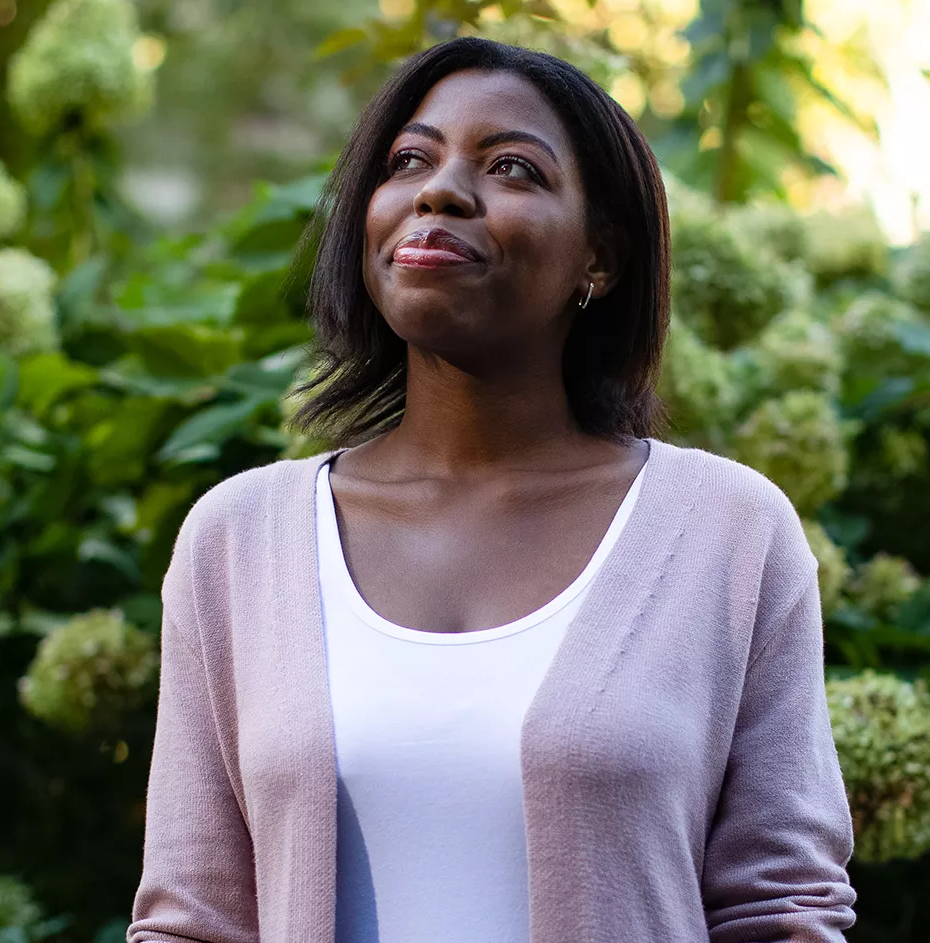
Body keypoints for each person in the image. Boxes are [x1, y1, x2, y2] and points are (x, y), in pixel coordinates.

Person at [127, 36, 857, 943]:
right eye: (409, 160)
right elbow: (191, 919)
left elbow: (783, 909)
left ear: (601, 258)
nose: (439, 191)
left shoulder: (729, 533)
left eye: (512, 167)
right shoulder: (237, 541)